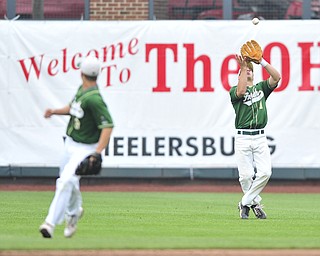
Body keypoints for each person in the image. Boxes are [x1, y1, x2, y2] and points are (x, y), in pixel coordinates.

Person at [39, 56, 114, 238]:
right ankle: (73, 213)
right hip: (70, 144)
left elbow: (108, 125)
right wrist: (55, 111)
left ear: (82, 73)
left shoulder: (95, 99)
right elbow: (73, 109)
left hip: (85, 148)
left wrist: (96, 153)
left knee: (65, 181)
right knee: (69, 182)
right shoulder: (82, 90)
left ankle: (50, 223)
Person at [229, 55, 281, 219]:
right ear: (240, 75)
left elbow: (277, 77)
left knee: (265, 172)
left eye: (251, 70)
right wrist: (243, 67)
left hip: (259, 137)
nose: (248, 71)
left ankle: (244, 203)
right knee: (245, 176)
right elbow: (241, 91)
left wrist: (262, 62)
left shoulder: (261, 88)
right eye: (245, 71)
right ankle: (255, 204)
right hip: (243, 138)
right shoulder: (234, 91)